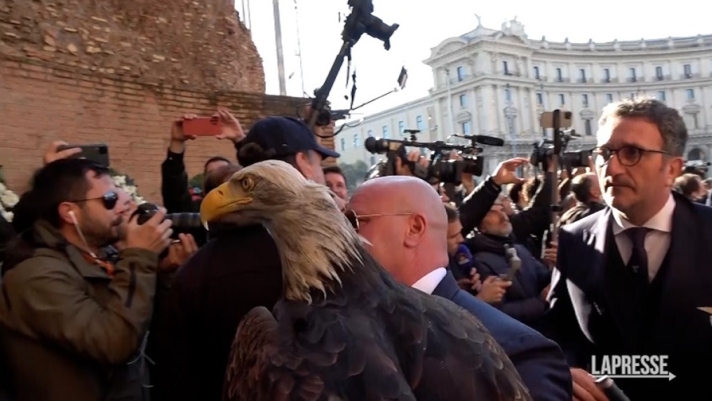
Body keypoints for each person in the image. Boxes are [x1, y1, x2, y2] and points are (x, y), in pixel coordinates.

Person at [152, 116, 340, 401]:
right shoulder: (337, 259)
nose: (321, 174)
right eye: (317, 162)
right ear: (303, 162)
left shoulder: (195, 273)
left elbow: (174, 382)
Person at [347, 176, 572, 401]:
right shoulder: (344, 329)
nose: (342, 235)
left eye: (353, 221)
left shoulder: (517, 353)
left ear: (414, 228)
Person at [545, 97, 712, 400]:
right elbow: (559, 333)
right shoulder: (575, 238)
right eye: (603, 153)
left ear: (672, 168)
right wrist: (568, 375)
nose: (612, 167)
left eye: (632, 153)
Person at [0, 158, 173, 401]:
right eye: (110, 199)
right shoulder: (35, 275)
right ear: (70, 212)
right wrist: (139, 257)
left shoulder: (106, 256)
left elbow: (150, 331)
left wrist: (162, 271)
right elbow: (114, 342)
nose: (122, 207)